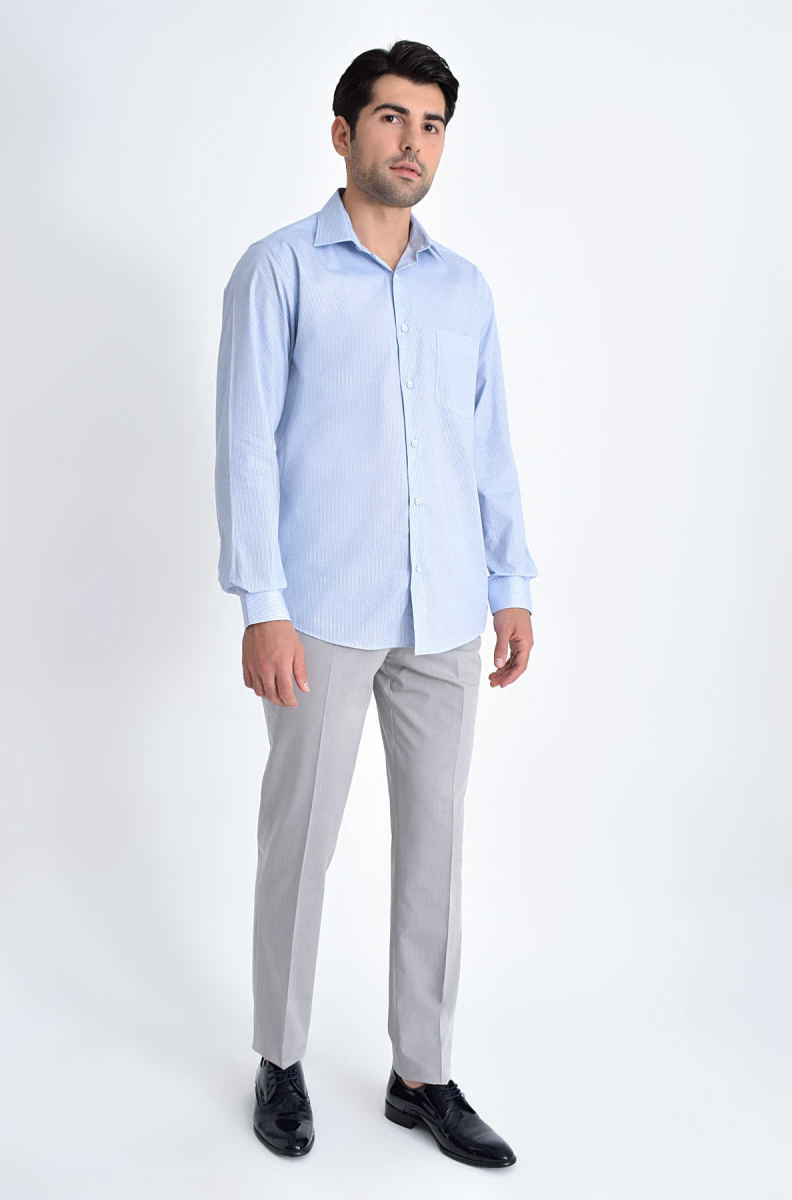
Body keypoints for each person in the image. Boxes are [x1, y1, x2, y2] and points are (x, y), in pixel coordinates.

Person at [214, 38, 538, 1168]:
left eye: (432, 124)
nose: (414, 142)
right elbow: (247, 445)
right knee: (299, 842)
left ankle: (422, 1073)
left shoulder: (465, 289)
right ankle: (280, 1057)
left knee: (436, 848)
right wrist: (261, 603)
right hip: (320, 611)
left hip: (445, 612)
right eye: (393, 118)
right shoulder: (278, 271)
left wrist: (510, 585)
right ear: (343, 132)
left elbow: (487, 446)